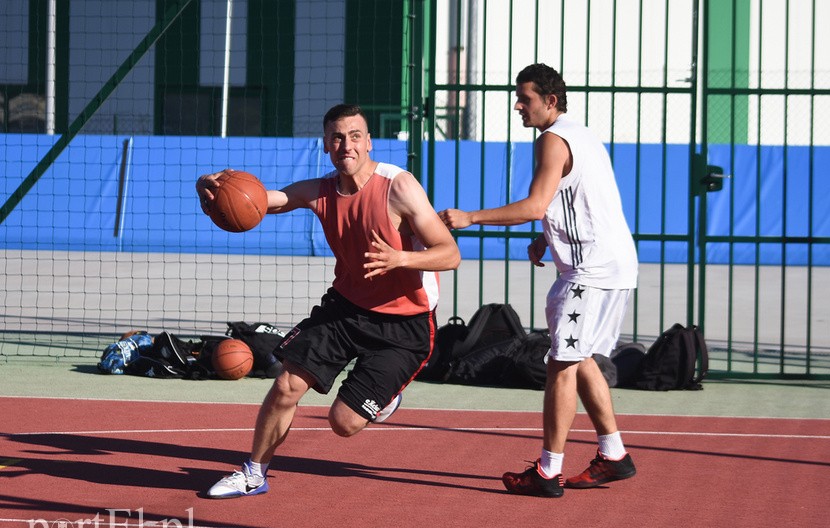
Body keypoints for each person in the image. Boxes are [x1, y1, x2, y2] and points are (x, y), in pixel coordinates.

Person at [197, 104, 461, 498]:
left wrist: (401, 257)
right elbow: (260, 200)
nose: (346, 145)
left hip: (404, 324)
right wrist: (212, 186)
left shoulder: (398, 187)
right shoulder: (321, 191)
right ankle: (254, 472)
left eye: (355, 136)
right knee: (286, 384)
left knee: (344, 422)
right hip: (345, 308)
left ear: (369, 142)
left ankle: (385, 398)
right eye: (337, 137)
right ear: (325, 144)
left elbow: (450, 253)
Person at [439, 63, 638, 498]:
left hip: (591, 270)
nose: (517, 105)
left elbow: (534, 204)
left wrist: (470, 217)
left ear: (550, 101)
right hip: (612, 264)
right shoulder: (581, 134)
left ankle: (547, 472)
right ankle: (614, 454)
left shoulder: (553, 139)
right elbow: (578, 200)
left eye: (524, 98)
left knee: (560, 365)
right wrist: (545, 236)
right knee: (579, 358)